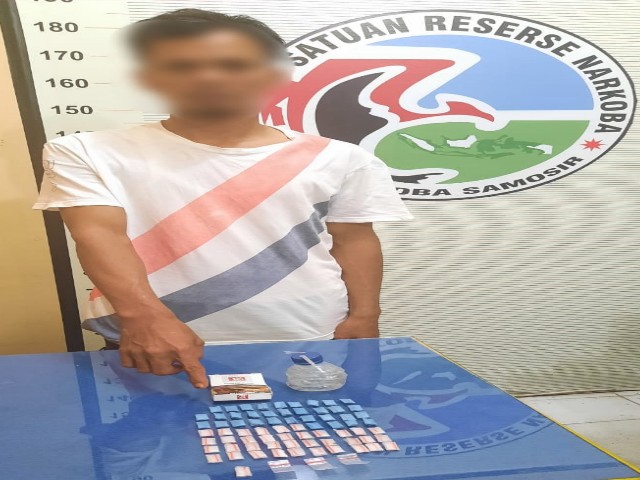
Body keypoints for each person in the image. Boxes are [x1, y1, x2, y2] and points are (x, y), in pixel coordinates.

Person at [32, 8, 413, 388]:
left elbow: (354, 240)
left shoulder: (341, 157)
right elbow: (99, 235)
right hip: (154, 336)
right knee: (165, 427)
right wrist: (144, 319)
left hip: (307, 331)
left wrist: (366, 316)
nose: (209, 77)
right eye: (181, 66)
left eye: (234, 64)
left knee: (316, 426)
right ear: (149, 77)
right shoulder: (85, 151)